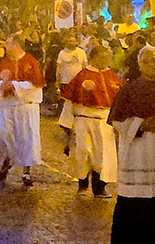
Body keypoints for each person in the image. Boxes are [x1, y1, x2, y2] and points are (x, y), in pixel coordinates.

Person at [108, 45, 155, 243]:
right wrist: (141, 124)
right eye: (145, 61)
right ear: (139, 65)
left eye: (154, 61)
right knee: (134, 206)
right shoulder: (129, 90)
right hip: (137, 153)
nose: (151, 65)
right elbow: (117, 120)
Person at [59, 43, 121, 197]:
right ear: (93, 58)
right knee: (84, 152)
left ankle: (100, 188)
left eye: (107, 58)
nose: (104, 61)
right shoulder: (82, 76)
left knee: (103, 155)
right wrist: (67, 124)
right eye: (101, 58)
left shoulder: (112, 76)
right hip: (84, 120)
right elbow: (70, 100)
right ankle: (82, 184)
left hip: (105, 122)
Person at [0, 34, 44, 187]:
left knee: (26, 138)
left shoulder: (31, 62)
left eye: (8, 44)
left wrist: (14, 86)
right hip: (8, 105)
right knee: (5, 135)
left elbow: (35, 84)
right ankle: (8, 160)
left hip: (25, 106)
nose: (6, 47)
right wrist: (2, 85)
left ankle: (26, 172)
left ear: (17, 45)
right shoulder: (4, 63)